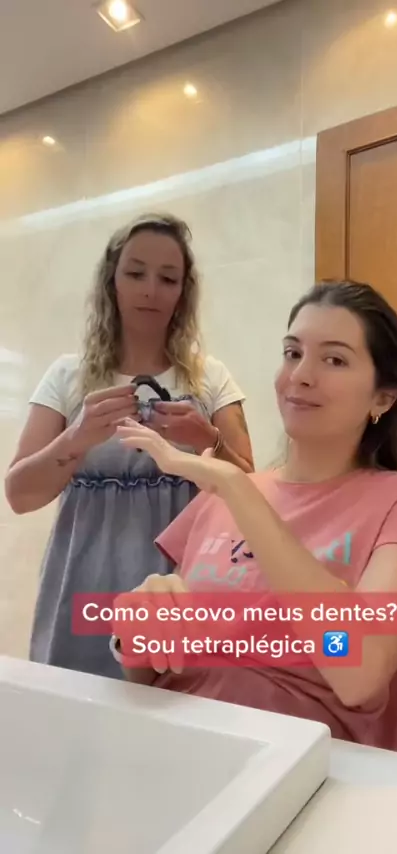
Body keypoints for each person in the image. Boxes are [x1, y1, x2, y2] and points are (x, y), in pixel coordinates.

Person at [109, 278, 397, 752]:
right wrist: (137, 633)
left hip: (306, 768)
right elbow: (155, 673)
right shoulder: (222, 497)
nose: (300, 375)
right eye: (293, 353)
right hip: (180, 749)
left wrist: (236, 486)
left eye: (334, 360)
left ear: (383, 397)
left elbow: (358, 670)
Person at [5, 212, 254, 680]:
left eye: (168, 279)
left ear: (183, 293)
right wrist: (77, 438)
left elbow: (252, 493)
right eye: (136, 273)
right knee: (80, 706)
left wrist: (208, 441)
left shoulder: (210, 378)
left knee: (177, 704)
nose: (150, 290)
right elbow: (19, 494)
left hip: (183, 582)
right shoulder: (67, 376)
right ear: (111, 281)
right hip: (83, 577)